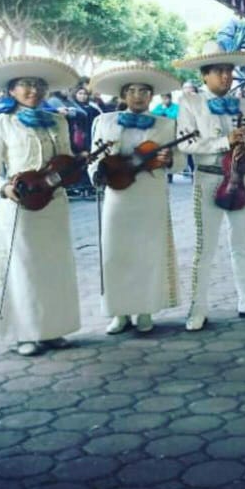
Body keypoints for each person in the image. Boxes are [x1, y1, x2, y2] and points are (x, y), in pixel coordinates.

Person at [0, 56, 83, 356]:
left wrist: (77, 165)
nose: (33, 90)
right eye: (25, 84)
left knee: (54, 266)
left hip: (54, 204)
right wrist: (4, 188)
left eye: (39, 85)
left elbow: (65, 161)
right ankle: (25, 334)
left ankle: (52, 329)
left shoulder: (58, 121)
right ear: (12, 90)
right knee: (22, 269)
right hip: (20, 205)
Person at [174, 41, 245, 330]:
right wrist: (225, 141)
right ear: (204, 75)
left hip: (241, 179)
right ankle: (198, 308)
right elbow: (187, 144)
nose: (225, 76)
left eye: (229, 71)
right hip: (208, 178)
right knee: (205, 247)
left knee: (241, 245)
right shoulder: (190, 102)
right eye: (219, 71)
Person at [88, 65, 182, 335]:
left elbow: (180, 162)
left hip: (150, 194)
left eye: (144, 91)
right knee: (116, 252)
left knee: (147, 252)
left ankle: (145, 310)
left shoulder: (166, 124)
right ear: (123, 95)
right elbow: (94, 158)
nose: (138, 96)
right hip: (118, 195)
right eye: (131, 91)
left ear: (151, 95)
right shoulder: (105, 121)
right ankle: (119, 313)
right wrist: (97, 174)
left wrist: (169, 160)